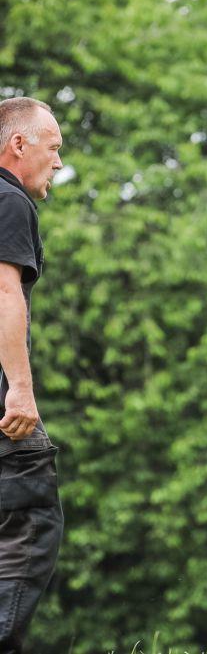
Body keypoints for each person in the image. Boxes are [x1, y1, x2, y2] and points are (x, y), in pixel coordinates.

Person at [0, 96, 65, 653]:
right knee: (31, 528)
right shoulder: (9, 200)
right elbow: (4, 291)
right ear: (18, 144)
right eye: (54, 147)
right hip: (4, 410)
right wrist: (20, 390)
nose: (59, 162)